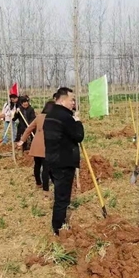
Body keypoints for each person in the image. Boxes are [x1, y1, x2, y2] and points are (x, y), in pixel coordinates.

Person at [43, 87, 84, 235]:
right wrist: (78, 122)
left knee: (60, 194)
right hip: (64, 162)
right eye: (71, 99)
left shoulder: (49, 115)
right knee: (62, 197)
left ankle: (59, 223)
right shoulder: (66, 117)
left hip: (51, 160)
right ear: (62, 99)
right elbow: (78, 136)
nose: (73, 102)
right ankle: (58, 227)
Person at [18, 100, 54, 195]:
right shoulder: (53, 118)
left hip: (36, 145)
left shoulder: (39, 117)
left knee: (37, 165)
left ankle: (38, 183)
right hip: (46, 146)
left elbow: (29, 129)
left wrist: (22, 140)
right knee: (46, 168)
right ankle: (45, 189)